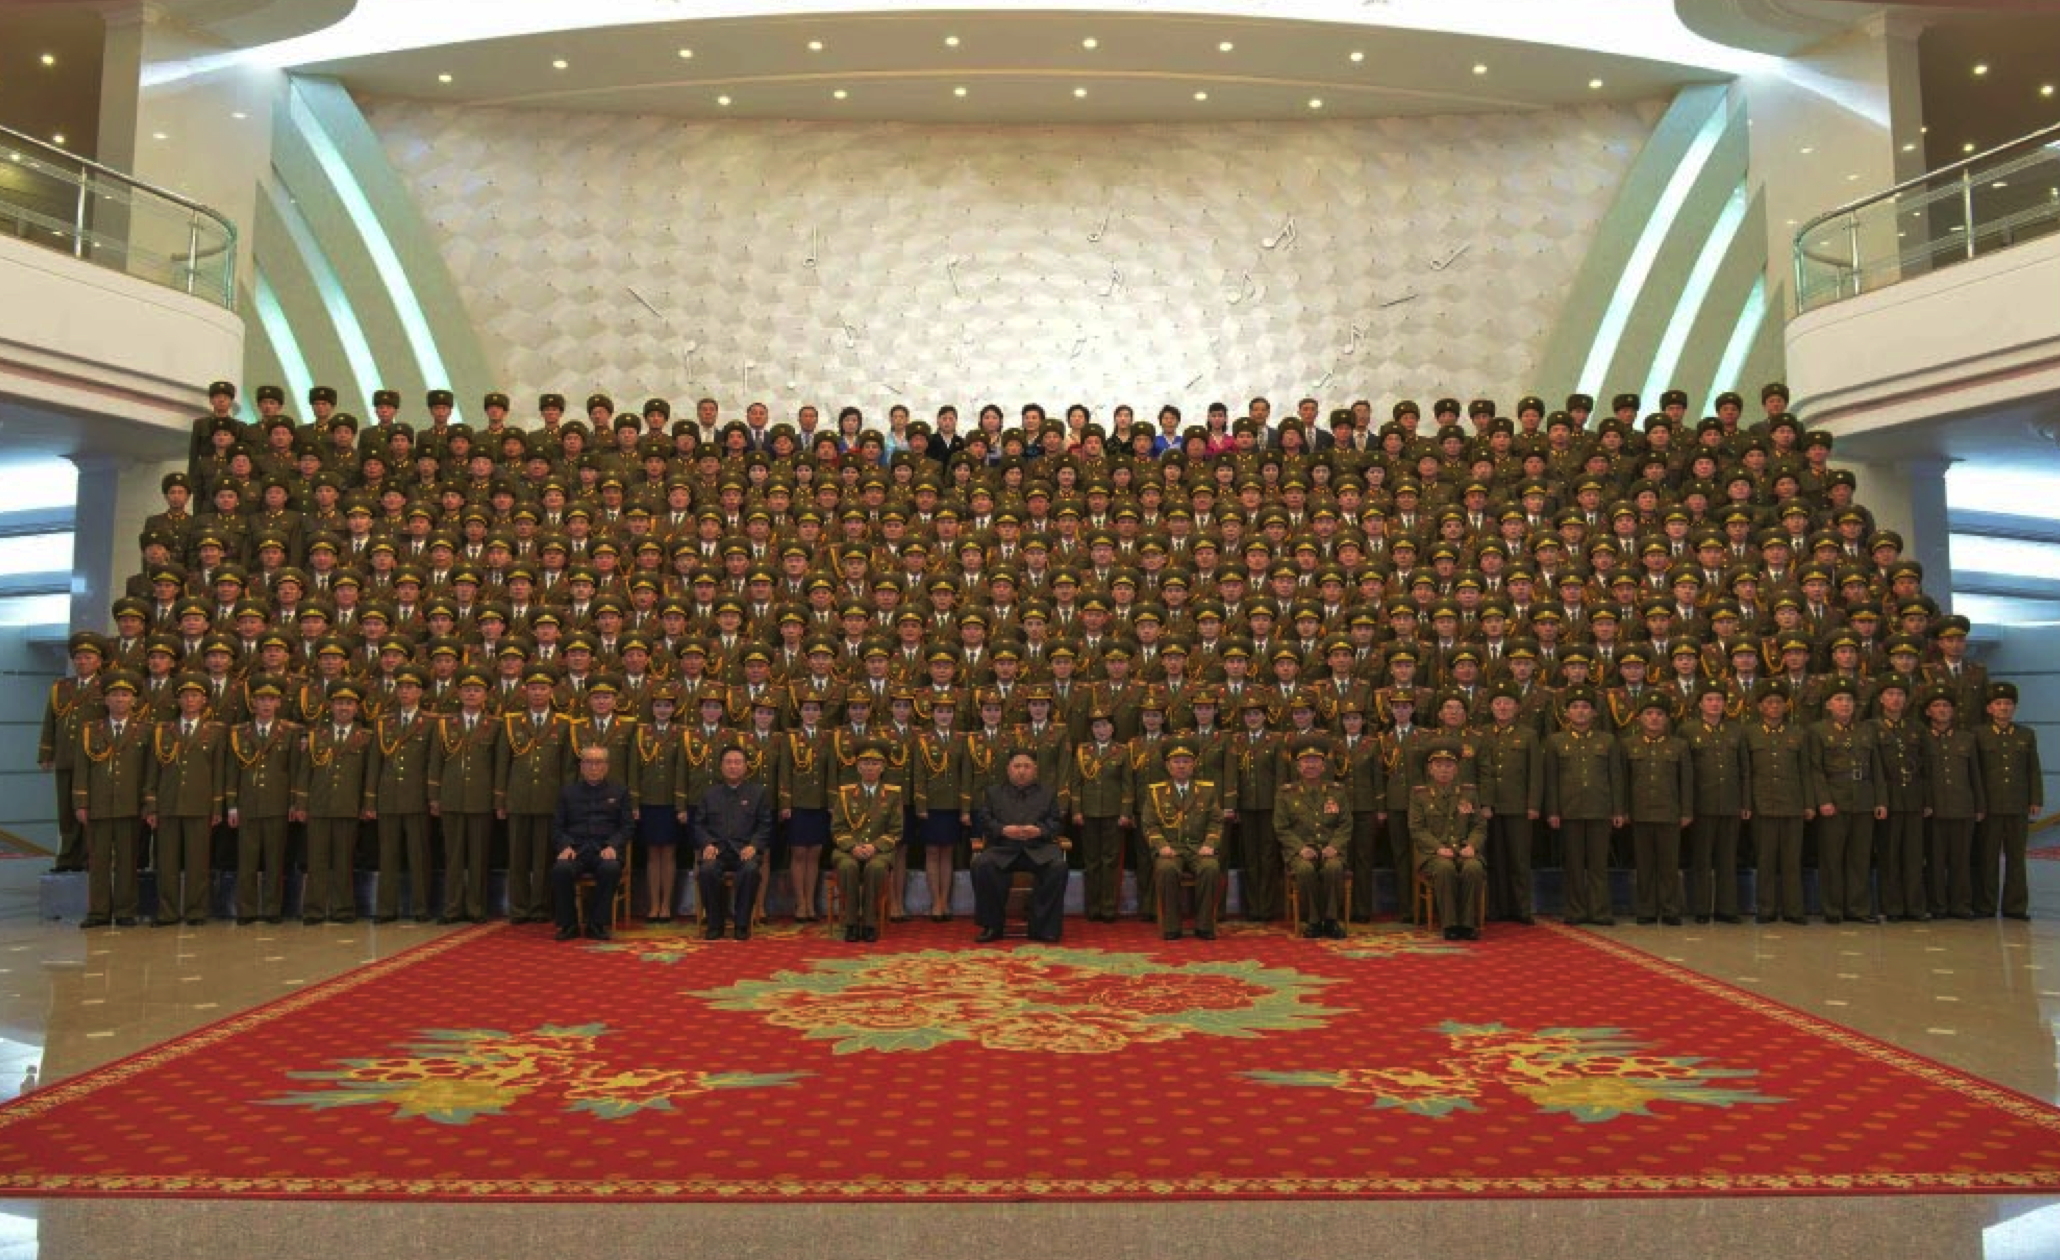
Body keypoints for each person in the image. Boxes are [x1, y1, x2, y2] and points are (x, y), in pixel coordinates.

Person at [143, 674, 227, 927]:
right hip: (168, 804)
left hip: (199, 805)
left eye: (195, 696)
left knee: (197, 862)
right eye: (185, 695)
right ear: (177, 699)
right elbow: (152, 770)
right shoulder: (163, 730)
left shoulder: (215, 732)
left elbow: (219, 771)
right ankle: (167, 911)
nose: (190, 700)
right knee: (166, 862)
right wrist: (151, 804)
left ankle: (196, 910)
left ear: (204, 700)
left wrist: (216, 806)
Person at [1543, 686, 1626, 927]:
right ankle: (1575, 911)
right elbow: (1551, 779)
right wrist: (1553, 810)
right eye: (1575, 707)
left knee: (1599, 865)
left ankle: (1600, 911)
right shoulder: (1555, 741)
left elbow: (1616, 778)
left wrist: (1618, 810)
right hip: (1569, 811)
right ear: (1566, 713)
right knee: (1574, 865)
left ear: (1594, 713)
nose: (1580, 712)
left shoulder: (1608, 740)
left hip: (1600, 809)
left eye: (1585, 707)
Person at [74, 671, 149, 928]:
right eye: (114, 695)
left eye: (125, 695)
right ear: (105, 700)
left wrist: (147, 803)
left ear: (134, 700)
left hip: (129, 804)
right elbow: (82, 768)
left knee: (128, 861)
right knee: (98, 861)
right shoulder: (90, 730)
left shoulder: (144, 731)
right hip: (99, 805)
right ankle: (98, 912)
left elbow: (148, 771)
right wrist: (81, 802)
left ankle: (125, 910)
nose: (120, 699)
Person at [296, 683, 376, 925]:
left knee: (344, 861)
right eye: (339, 703)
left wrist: (366, 804)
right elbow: (304, 773)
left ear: (356, 708)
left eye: (349, 704)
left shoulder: (365, 737)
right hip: (318, 807)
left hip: (348, 806)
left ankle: (343, 909)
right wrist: (300, 804)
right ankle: (314, 909)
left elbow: (368, 774)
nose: (344, 708)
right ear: (331, 706)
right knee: (316, 861)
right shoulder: (316, 735)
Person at [971, 748, 1067, 943]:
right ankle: (992, 925)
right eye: (1017, 766)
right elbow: (984, 820)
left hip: (1038, 849)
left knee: (1058, 867)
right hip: (1003, 849)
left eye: (1026, 766)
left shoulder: (1048, 793)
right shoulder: (993, 792)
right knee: (982, 864)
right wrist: (1003, 830)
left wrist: (1040, 831)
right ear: (1008, 769)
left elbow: (1056, 822)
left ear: (1035, 770)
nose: (1021, 771)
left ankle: (1043, 928)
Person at [226, 674, 298, 925]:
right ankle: (245, 909)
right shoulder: (239, 732)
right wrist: (232, 805)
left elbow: (294, 771)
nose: (266, 704)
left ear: (279, 703)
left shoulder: (289, 731)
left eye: (271, 700)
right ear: (252, 703)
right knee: (246, 861)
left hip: (276, 805)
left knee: (274, 861)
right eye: (261, 700)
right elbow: (232, 770)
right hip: (247, 804)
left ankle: (272, 909)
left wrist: (293, 802)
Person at [1974, 681, 2041, 920]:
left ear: (2014, 708)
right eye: (1998, 703)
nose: (2003, 708)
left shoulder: (2026, 735)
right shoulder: (1979, 734)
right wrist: (1978, 804)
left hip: (2017, 805)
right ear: (1989, 708)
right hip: (1990, 807)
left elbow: (2033, 769)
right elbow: (1975, 772)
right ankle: (1985, 905)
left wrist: (2035, 798)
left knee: (2016, 858)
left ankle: (2015, 906)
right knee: (1987, 857)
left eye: (2008, 704)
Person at [1623, 696, 1692, 926]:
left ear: (1667, 719)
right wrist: (1623, 810)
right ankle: (1646, 909)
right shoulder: (1628, 744)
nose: (1654, 718)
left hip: (1669, 812)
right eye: (1649, 714)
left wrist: (1686, 811)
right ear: (1640, 718)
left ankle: (1670, 909)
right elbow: (1623, 781)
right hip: (1640, 812)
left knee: (1669, 865)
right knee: (1644, 865)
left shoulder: (1679, 745)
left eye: (1659, 714)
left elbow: (1686, 781)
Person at [1144, 742, 1224, 941]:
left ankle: (1204, 925)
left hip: (1199, 847)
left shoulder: (1207, 790)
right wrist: (1161, 846)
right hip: (1170, 848)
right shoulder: (1156, 792)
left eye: (1186, 762)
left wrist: (1210, 844)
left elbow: (1216, 821)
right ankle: (1172, 926)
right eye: (1176, 762)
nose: (1181, 766)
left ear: (1193, 765)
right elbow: (1149, 825)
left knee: (1210, 868)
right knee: (1166, 869)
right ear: (1168, 766)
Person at [552, 745, 630, 941]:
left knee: (610, 869)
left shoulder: (619, 792)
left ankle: (597, 924)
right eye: (588, 762)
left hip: (604, 850)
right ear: (581, 766)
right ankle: (568, 924)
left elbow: (627, 827)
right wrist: (565, 846)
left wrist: (613, 845)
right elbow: (557, 827)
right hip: (576, 849)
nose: (593, 767)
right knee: (560, 870)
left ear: (607, 766)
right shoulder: (567, 793)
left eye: (598, 762)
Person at [1276, 736, 1349, 939]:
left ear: (1323, 766)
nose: (1310, 765)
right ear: (1298, 766)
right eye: (1306, 761)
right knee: (1305, 869)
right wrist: (1300, 849)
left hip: (1330, 849)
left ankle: (1332, 920)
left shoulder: (1337, 792)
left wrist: (1334, 846)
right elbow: (1281, 828)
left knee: (1334, 867)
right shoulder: (1286, 794)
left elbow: (1345, 824)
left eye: (1315, 761)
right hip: (1300, 851)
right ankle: (1314, 921)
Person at [694, 746, 770, 940]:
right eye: (729, 762)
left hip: (744, 851)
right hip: (717, 851)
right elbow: (698, 825)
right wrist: (707, 844)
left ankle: (742, 923)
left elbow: (765, 826)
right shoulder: (709, 794)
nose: (733, 767)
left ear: (746, 767)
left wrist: (754, 845)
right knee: (707, 870)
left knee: (750, 870)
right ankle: (714, 923)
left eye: (738, 762)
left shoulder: (758, 793)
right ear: (721, 766)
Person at [1412, 746, 1486, 941]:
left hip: (1464, 850)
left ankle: (1467, 924)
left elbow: (1479, 826)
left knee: (1473, 868)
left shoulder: (1468, 793)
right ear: (1430, 769)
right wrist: (1438, 848)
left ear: (1456, 769)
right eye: (1439, 765)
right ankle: (1450, 924)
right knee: (1445, 868)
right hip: (1434, 853)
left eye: (1448, 765)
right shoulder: (1420, 795)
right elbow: (1417, 830)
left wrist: (1471, 845)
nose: (1444, 770)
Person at [831, 739, 901, 942]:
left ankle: (870, 922)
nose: (870, 767)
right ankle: (851, 923)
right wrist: (852, 846)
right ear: (858, 766)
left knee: (876, 868)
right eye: (865, 763)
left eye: (875, 763)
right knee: (847, 866)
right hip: (848, 849)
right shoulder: (845, 794)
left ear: (883, 767)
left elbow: (896, 830)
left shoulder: (893, 794)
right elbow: (837, 828)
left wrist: (874, 847)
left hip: (879, 850)